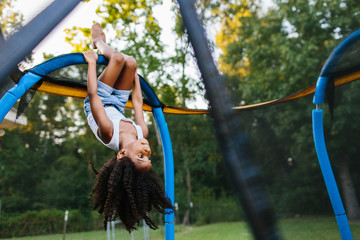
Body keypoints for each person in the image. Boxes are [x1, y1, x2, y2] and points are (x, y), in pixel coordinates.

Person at [83, 23, 173, 232]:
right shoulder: (142, 133)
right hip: (118, 103)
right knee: (131, 63)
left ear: (122, 154)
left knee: (118, 59)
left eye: (141, 157)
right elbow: (138, 103)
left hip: (100, 101)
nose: (147, 153)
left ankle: (97, 42)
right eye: (149, 158)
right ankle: (123, 62)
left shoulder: (109, 133)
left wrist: (91, 63)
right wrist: (136, 79)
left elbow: (94, 96)